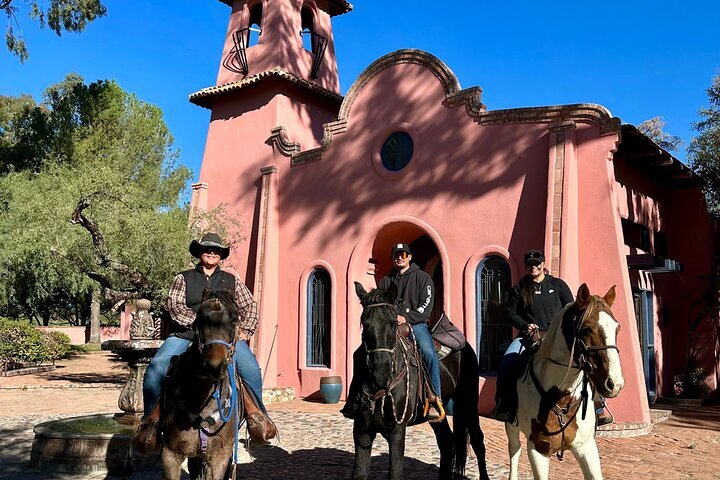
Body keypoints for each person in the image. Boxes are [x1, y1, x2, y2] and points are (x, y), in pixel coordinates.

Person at [136, 232, 268, 448]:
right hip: (187, 335)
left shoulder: (231, 280)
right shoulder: (183, 278)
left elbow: (250, 306)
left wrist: (245, 330)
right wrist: (199, 325)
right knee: (156, 367)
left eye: (216, 250)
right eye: (207, 249)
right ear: (199, 252)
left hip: (224, 339)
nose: (211, 252)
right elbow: (176, 306)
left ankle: (258, 418)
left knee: (251, 368)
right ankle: (151, 423)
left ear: (220, 255)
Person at [342, 242, 444, 421]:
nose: (399, 257)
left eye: (403, 254)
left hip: (416, 324)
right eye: (396, 255)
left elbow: (426, 307)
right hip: (390, 325)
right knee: (360, 353)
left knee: (428, 352)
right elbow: (380, 304)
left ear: (409, 257)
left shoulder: (423, 278)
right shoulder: (386, 281)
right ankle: (354, 399)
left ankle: (433, 398)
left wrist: (406, 317)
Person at [491, 249, 573, 423]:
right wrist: (525, 325)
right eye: (529, 264)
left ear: (543, 264)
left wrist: (558, 326)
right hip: (529, 337)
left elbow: (570, 309)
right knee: (507, 360)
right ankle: (504, 405)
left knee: (583, 356)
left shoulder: (558, 285)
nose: (533, 266)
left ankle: (598, 406)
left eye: (536, 263)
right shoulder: (519, 288)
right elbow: (510, 313)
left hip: (556, 337)